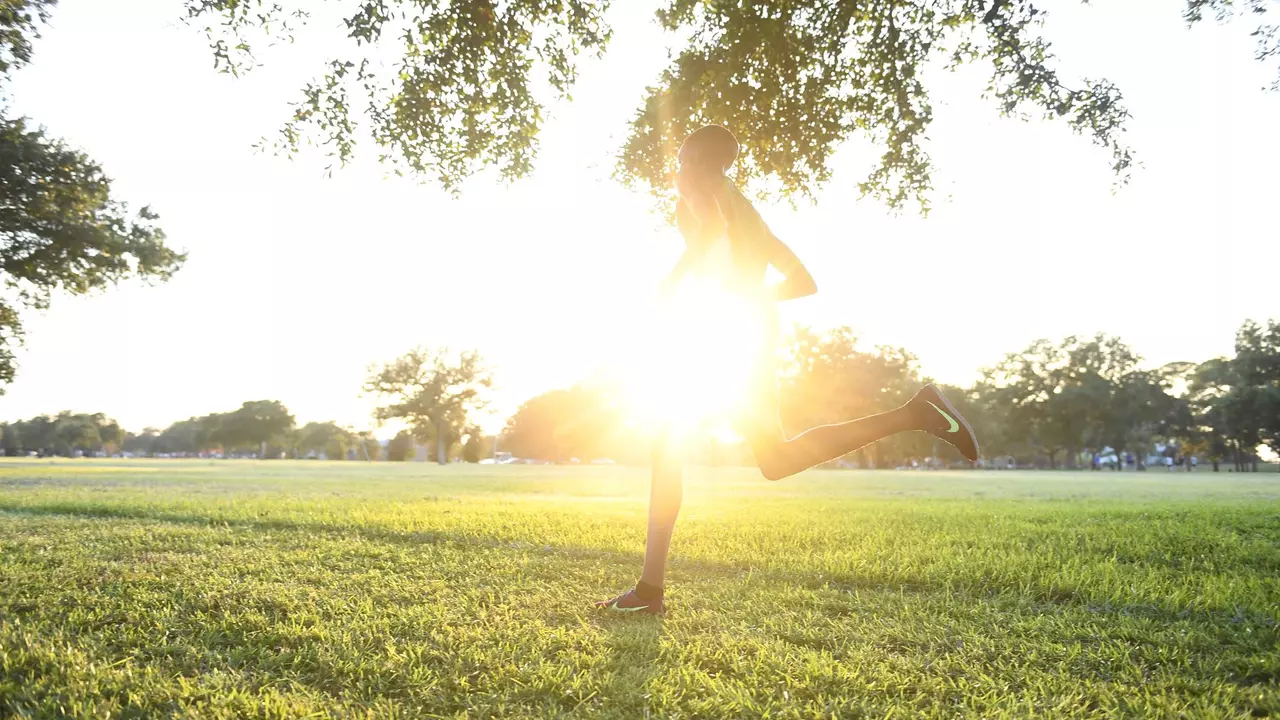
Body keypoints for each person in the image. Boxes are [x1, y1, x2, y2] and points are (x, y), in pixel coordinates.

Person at [595, 125, 979, 615]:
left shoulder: (694, 180)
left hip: (720, 334)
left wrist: (671, 287)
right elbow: (803, 282)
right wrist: (748, 299)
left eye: (685, 155)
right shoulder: (747, 210)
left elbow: (710, 233)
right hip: (751, 330)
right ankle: (915, 414)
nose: (680, 165)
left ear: (692, 154)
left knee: (667, 445)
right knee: (774, 460)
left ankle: (649, 592)